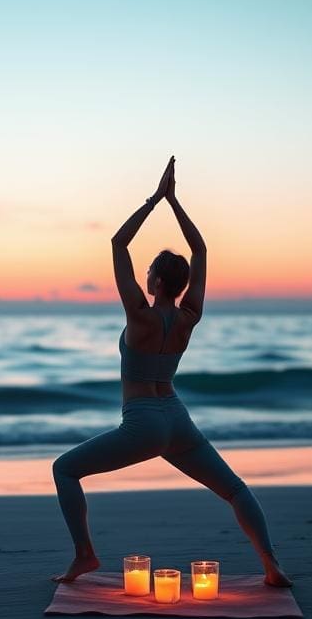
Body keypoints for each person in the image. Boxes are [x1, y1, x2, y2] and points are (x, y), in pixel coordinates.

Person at [51, 156, 293, 587]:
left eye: (149, 271)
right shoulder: (189, 316)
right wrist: (176, 203)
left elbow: (117, 244)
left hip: (142, 421)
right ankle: (272, 566)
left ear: (159, 282)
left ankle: (85, 555)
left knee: (65, 470)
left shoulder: (140, 317)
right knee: (235, 490)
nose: (143, 274)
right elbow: (200, 251)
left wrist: (155, 200)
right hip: (177, 418)